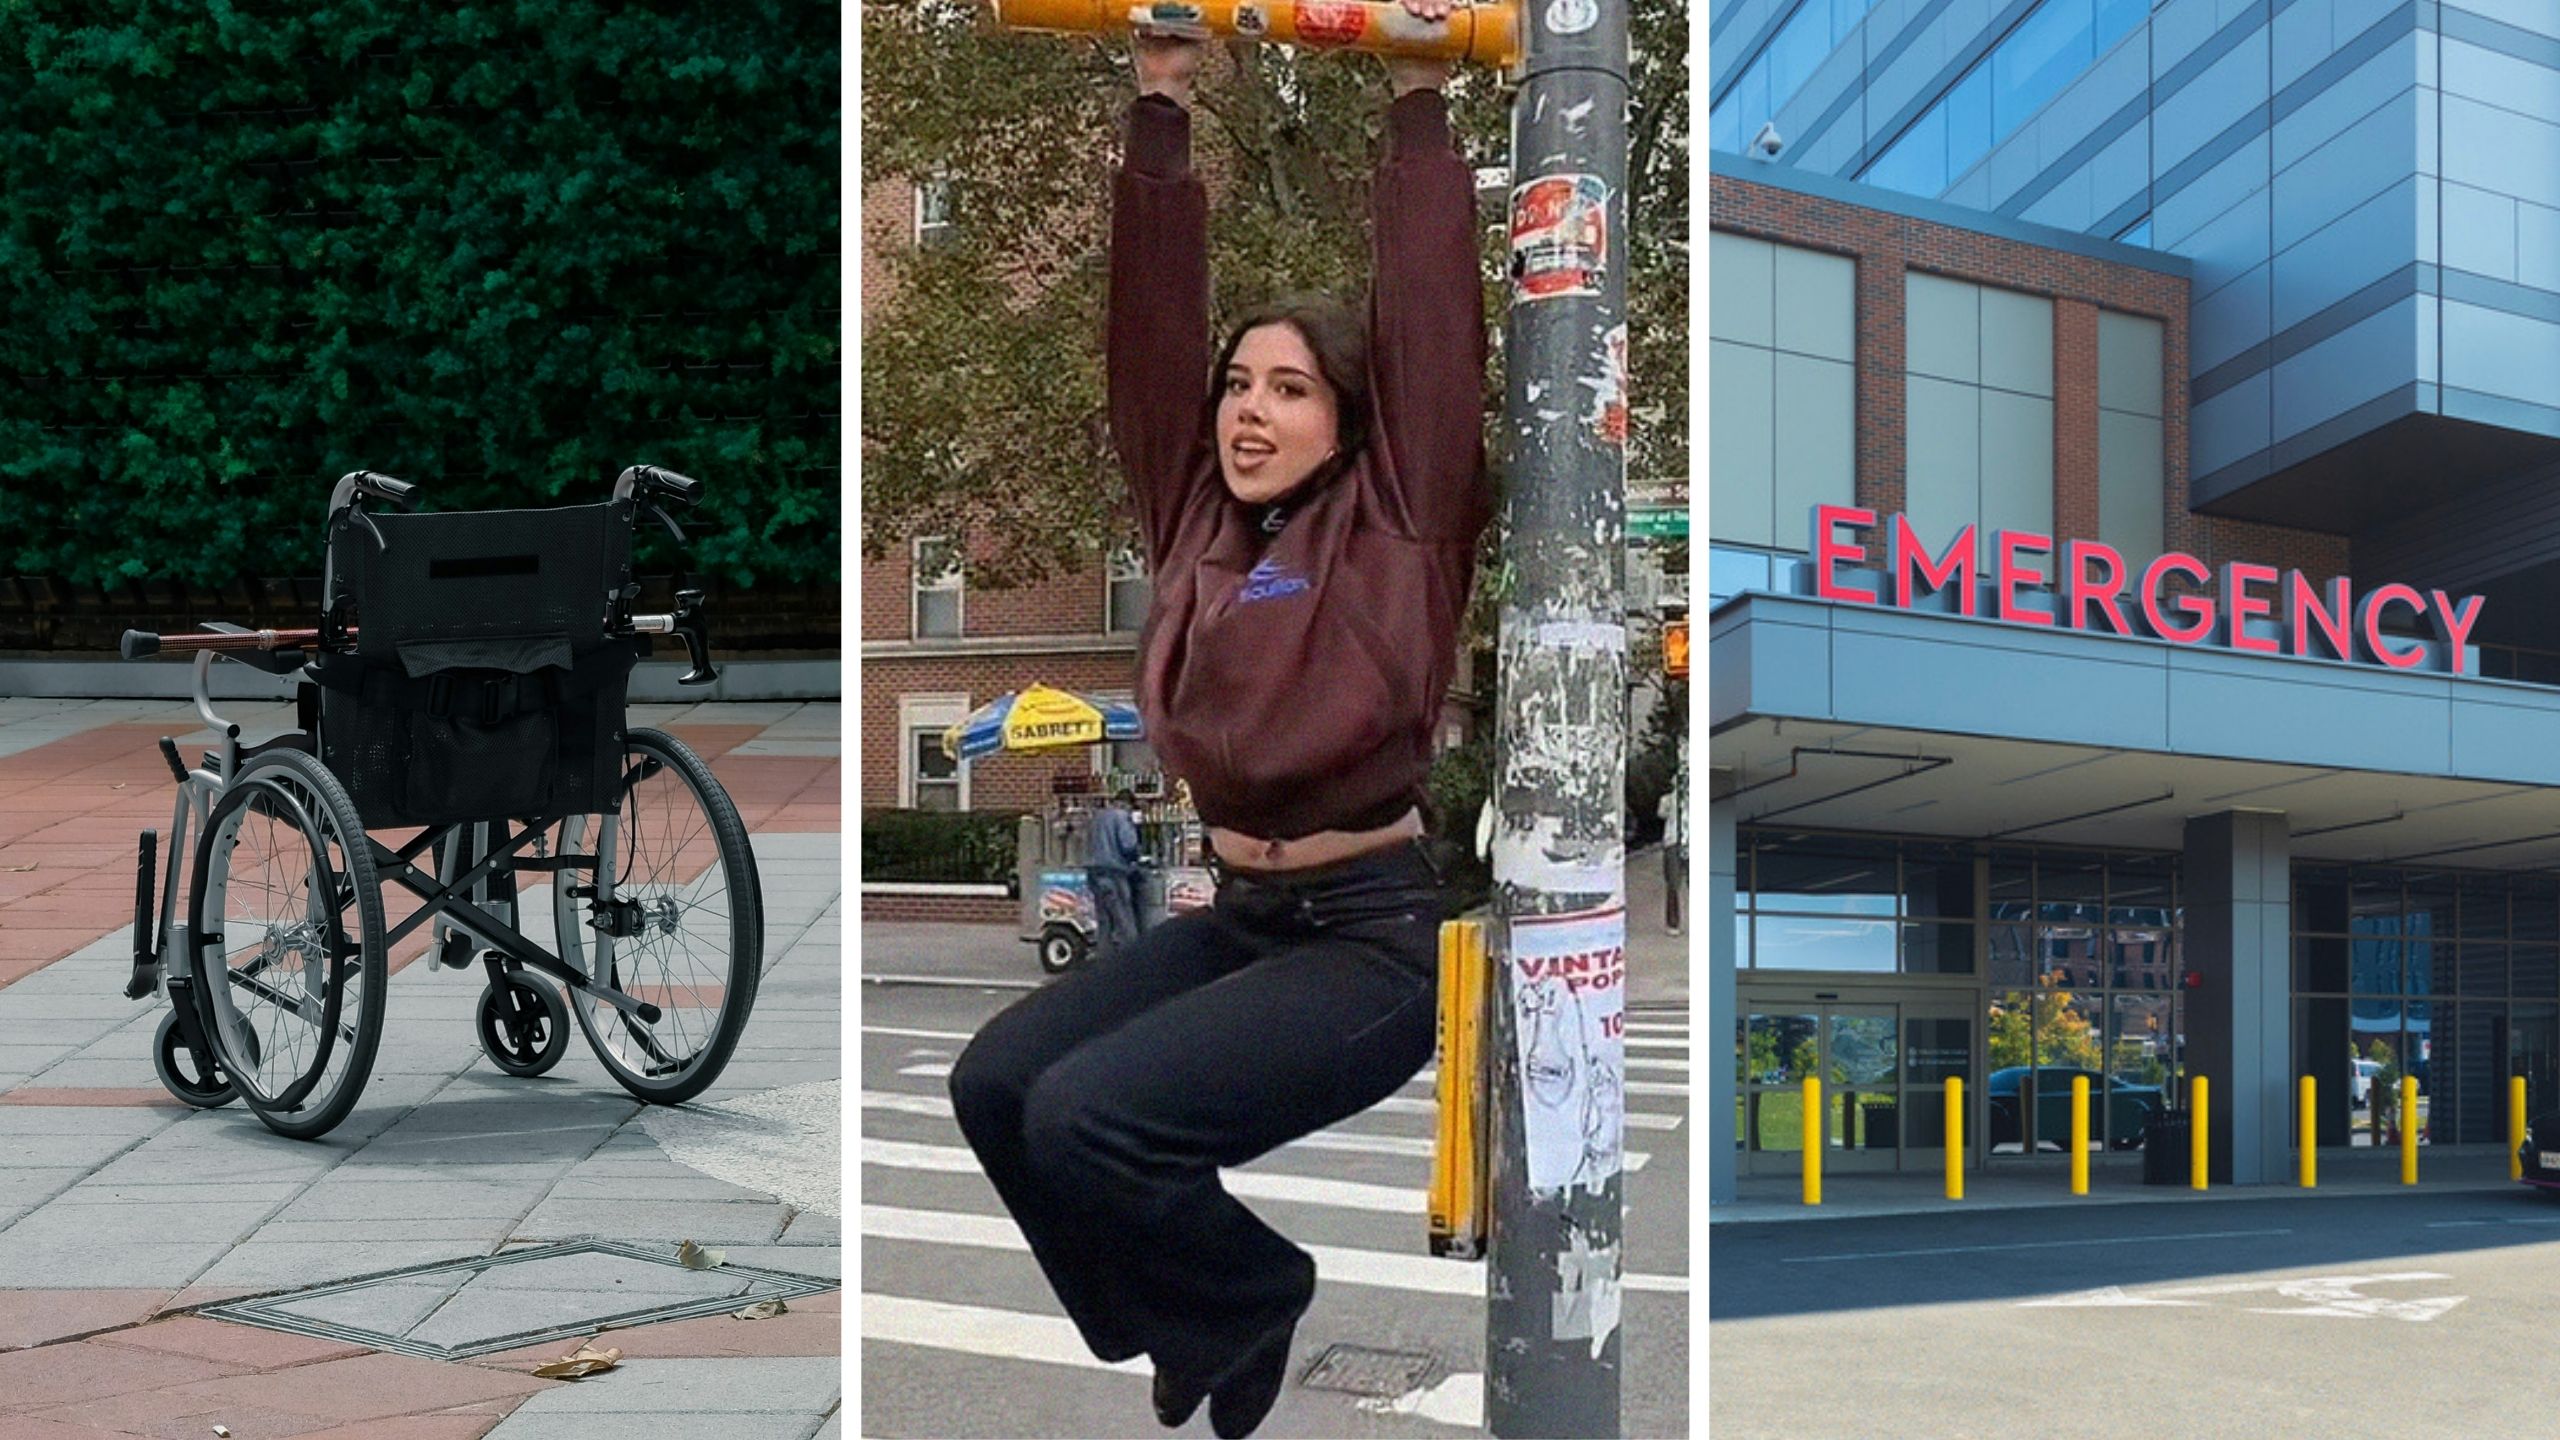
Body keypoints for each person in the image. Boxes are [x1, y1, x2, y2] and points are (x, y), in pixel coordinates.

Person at [947, 5, 1488, 1435]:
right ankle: (1185, 1315)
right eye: (1239, 385)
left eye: (1290, 390)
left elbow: (1430, 323)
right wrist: (1159, 104)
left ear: (1351, 420)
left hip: (1370, 939)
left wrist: (1421, 104)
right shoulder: (1192, 519)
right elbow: (1147, 337)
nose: (1249, 410)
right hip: (1240, 915)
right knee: (1000, 1084)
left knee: (1090, 1119)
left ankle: (1248, 1295)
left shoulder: (1403, 516)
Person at [1085, 789, 1144, 957]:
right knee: (1124, 921)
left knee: (1104, 922)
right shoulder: (1122, 817)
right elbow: (1128, 845)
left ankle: (1103, 961)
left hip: (1095, 873)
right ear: (1129, 804)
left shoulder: (1098, 816)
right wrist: (1136, 855)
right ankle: (1132, 959)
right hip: (1114, 873)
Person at [1659, 766, 1686, 934]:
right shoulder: (1667, 799)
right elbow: (1661, 814)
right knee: (1673, 883)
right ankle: (1673, 923)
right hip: (1673, 842)